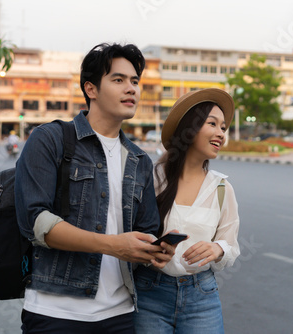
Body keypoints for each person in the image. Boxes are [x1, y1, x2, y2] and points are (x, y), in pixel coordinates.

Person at [15, 43, 175, 334]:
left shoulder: (139, 160)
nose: (131, 89)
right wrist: (113, 245)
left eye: (135, 81)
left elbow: (146, 228)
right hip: (55, 313)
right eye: (118, 80)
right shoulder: (50, 139)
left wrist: (154, 251)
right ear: (91, 89)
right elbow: (34, 222)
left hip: (120, 315)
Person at [133, 88, 241, 333]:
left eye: (223, 127)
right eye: (212, 123)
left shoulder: (222, 187)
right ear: (189, 128)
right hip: (149, 292)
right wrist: (152, 249)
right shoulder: (151, 179)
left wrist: (217, 248)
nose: (220, 133)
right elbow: (128, 233)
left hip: (201, 296)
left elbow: (231, 245)